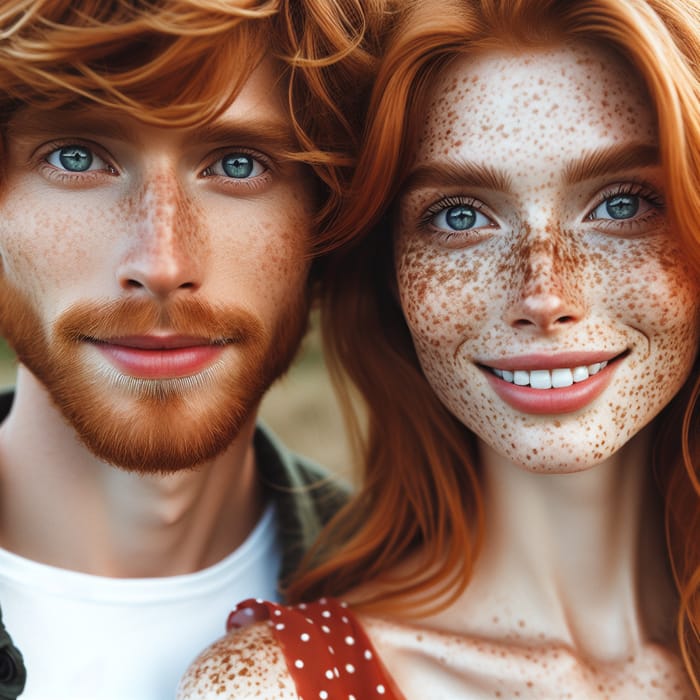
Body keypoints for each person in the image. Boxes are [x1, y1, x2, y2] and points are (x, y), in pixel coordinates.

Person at [177, 0, 700, 697]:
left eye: (624, 203)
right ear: (390, 273)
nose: (544, 295)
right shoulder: (276, 683)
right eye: (460, 216)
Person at [0, 0, 387, 698]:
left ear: (327, 223)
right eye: (77, 156)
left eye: (238, 164)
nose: (161, 261)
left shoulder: (423, 629)